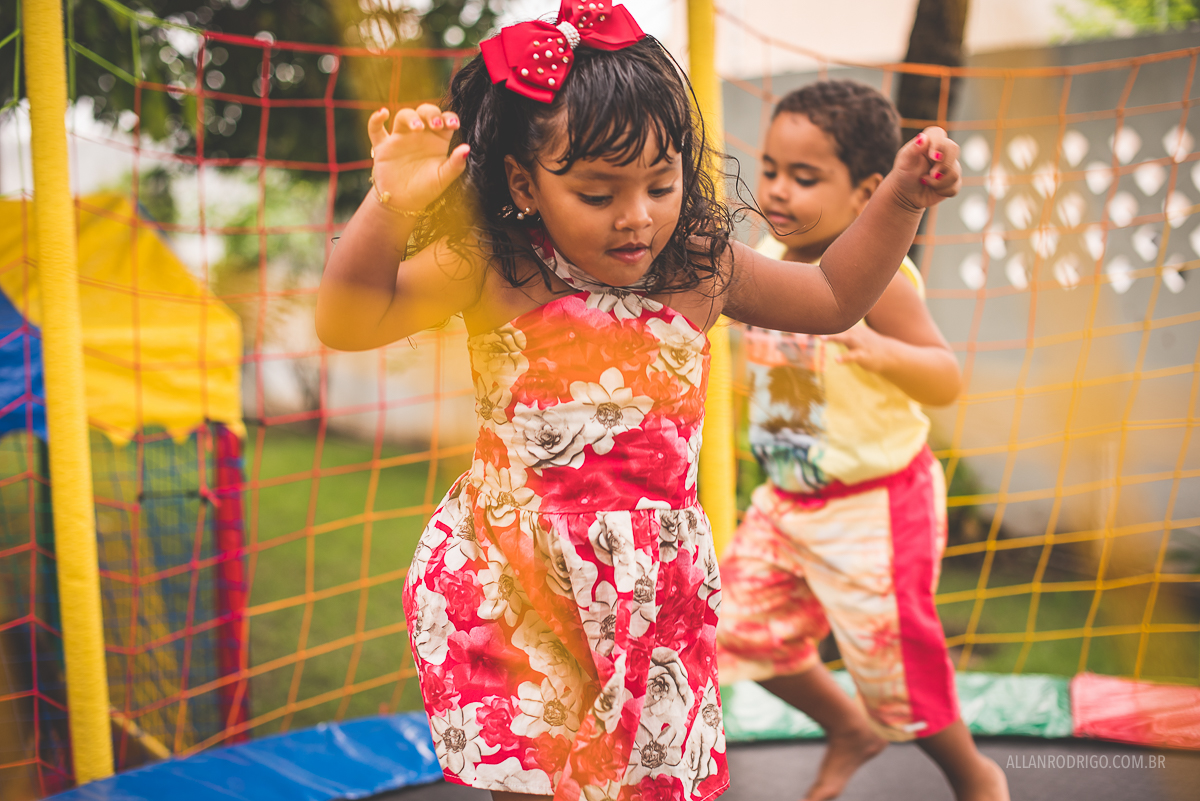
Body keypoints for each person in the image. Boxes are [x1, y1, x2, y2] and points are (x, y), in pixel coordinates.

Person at [315, 2, 960, 797]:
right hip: (516, 579)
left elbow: (832, 294)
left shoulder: (698, 265)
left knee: (646, 782)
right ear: (523, 181)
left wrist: (900, 196)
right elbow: (347, 322)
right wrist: (392, 203)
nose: (637, 217)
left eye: (661, 183)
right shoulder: (491, 263)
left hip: (644, 593)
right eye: (598, 194)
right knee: (527, 778)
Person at [716, 81, 1009, 801]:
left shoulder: (879, 282)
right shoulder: (767, 252)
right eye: (773, 169)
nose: (778, 190)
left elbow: (944, 377)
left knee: (896, 666)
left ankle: (976, 777)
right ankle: (850, 727)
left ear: (867, 192)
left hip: (875, 504)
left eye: (805, 177)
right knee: (732, 629)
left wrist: (886, 356)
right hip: (787, 499)